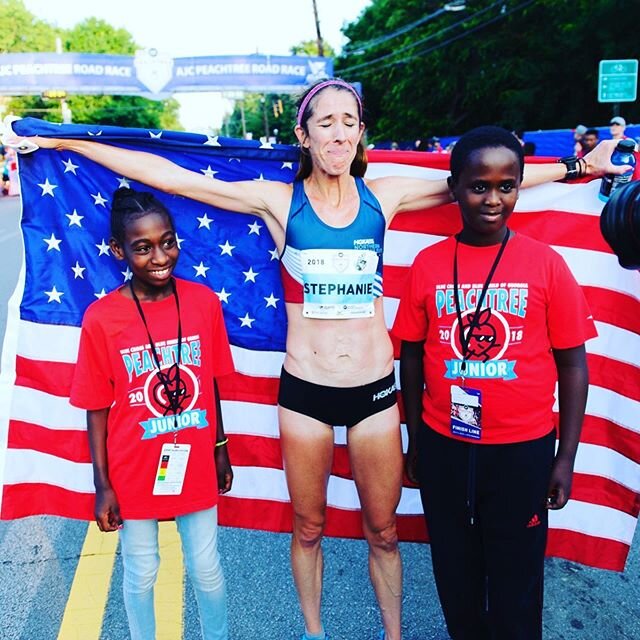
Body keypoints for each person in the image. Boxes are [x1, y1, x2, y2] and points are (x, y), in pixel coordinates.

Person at [7, 79, 626, 640]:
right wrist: (69, 143)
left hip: (376, 390)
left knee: (383, 532)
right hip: (305, 390)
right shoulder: (279, 202)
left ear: (362, 133)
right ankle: (314, 632)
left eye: (349, 120)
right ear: (303, 135)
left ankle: (393, 634)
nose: (338, 131)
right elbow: (175, 179)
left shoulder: (384, 196)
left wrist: (577, 166)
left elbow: (478, 177)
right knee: (309, 528)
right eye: (324, 121)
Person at [393, 125, 597, 640]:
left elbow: (574, 364)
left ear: (520, 186)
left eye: (506, 185)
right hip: (446, 447)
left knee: (516, 584)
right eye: (478, 186)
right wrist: (416, 439)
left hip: (523, 452)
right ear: (455, 186)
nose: (492, 198)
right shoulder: (428, 264)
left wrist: (565, 457)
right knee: (456, 577)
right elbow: (411, 357)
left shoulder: (547, 265)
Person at [69, 187, 234, 640]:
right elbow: (96, 408)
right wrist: (103, 485)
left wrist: (221, 448)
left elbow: (213, 382)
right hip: (133, 467)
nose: (160, 256)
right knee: (141, 570)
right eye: (142, 247)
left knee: (206, 567)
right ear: (120, 251)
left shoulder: (201, 303)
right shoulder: (102, 318)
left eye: (168, 241)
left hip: (194, 459)